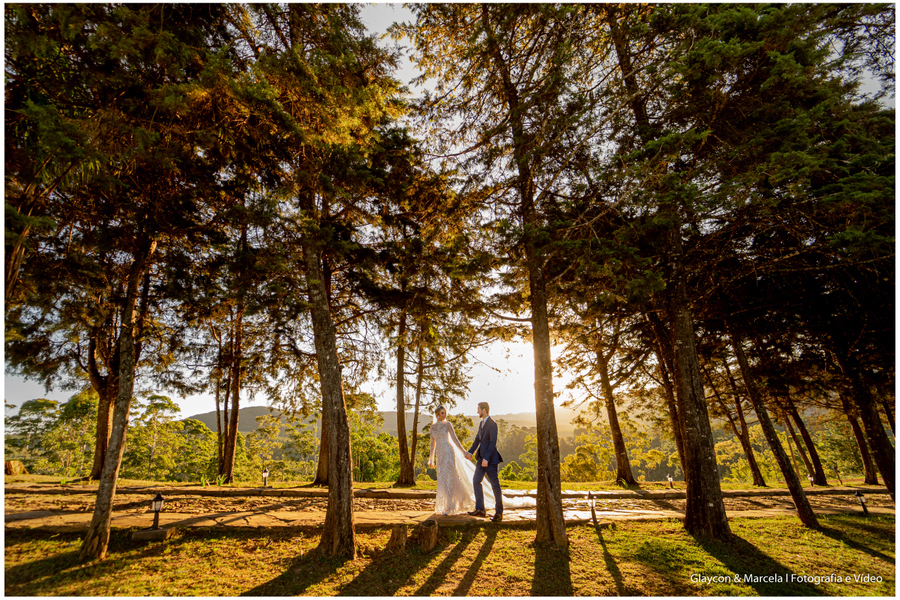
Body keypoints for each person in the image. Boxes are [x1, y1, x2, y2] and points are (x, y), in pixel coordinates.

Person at [428, 405, 487, 515]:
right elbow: (432, 444)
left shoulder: (448, 425)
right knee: (442, 479)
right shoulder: (432, 427)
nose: (444, 415)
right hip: (440, 455)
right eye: (442, 413)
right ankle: (460, 498)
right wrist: (431, 459)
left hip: (449, 452)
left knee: (450, 477)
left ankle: (450, 505)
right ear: (437, 415)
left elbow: (455, 439)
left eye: (445, 413)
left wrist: (464, 452)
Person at [465, 401, 504, 522]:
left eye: (478, 409)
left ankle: (499, 512)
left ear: (484, 410)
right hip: (481, 459)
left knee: (495, 485)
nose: (477, 411)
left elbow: (493, 443)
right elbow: (477, 440)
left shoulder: (493, 424)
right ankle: (480, 509)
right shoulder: (481, 423)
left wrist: (486, 458)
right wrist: (470, 452)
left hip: (491, 460)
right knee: (476, 481)